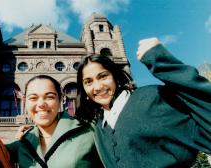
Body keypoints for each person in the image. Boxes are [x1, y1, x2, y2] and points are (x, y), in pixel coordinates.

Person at [76, 37, 211, 167]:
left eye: (103, 76)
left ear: (115, 77)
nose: (98, 87)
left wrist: (162, 62)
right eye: (88, 82)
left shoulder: (152, 98)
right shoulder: (100, 127)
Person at [0, 75, 103, 168]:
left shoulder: (90, 132)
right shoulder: (23, 143)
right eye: (33, 98)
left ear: (60, 99)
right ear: (25, 101)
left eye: (49, 97)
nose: (41, 104)